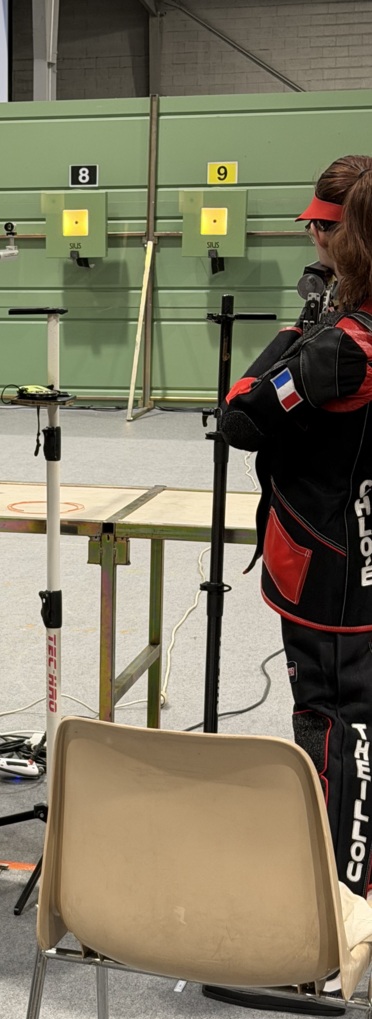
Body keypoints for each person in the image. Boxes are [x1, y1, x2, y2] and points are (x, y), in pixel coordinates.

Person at [221, 154, 372, 897]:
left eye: (320, 230)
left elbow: (240, 418)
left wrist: (298, 331)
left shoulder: (341, 348)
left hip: (328, 566)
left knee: (335, 724)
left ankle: (337, 896)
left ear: (341, 238)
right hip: (355, 555)